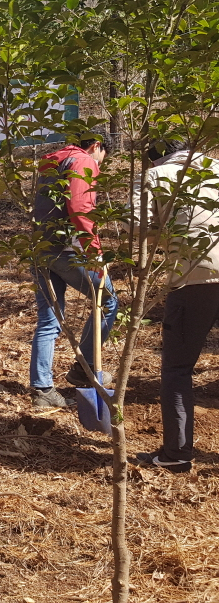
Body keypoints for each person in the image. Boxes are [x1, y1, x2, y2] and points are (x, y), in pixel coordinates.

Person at [131, 140, 219, 473]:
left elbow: (133, 227)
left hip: (192, 278)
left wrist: (162, 237)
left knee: (177, 369)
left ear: (155, 158)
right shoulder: (216, 169)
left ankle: (177, 453)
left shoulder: (157, 175)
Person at [29, 136, 119, 411]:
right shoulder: (82, 160)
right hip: (68, 249)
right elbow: (80, 207)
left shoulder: (51, 163)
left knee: (49, 320)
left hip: (40, 247)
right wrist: (94, 252)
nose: (100, 164)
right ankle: (84, 368)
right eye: (103, 157)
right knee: (108, 302)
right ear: (97, 146)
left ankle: (42, 389)